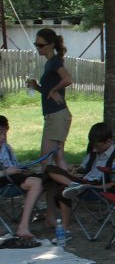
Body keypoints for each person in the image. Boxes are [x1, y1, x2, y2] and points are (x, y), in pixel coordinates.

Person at [44, 121, 115, 236]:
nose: (95, 149)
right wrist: (75, 169)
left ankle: (64, 228)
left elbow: (114, 185)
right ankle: (73, 184)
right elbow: (85, 168)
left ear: (109, 141)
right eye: (94, 145)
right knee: (50, 168)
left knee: (63, 190)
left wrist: (94, 186)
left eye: (98, 146)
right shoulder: (94, 151)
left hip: (97, 188)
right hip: (83, 182)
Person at [26, 28, 72, 170]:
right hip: (56, 116)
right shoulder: (49, 63)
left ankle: (64, 187)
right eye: (36, 44)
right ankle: (69, 189)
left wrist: (54, 89)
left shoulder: (55, 62)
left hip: (57, 116)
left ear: (51, 45)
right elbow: (48, 92)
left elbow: (68, 79)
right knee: (58, 159)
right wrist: (37, 87)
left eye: (41, 45)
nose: (37, 47)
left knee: (45, 161)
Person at [0, 114, 45, 245]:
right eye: (0, 133)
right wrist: (5, 172)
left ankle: (44, 216)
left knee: (47, 179)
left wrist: (21, 169)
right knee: (37, 182)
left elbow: (14, 164)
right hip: (3, 179)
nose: (3, 137)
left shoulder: (6, 148)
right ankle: (23, 227)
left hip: (12, 177)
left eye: (4, 133)